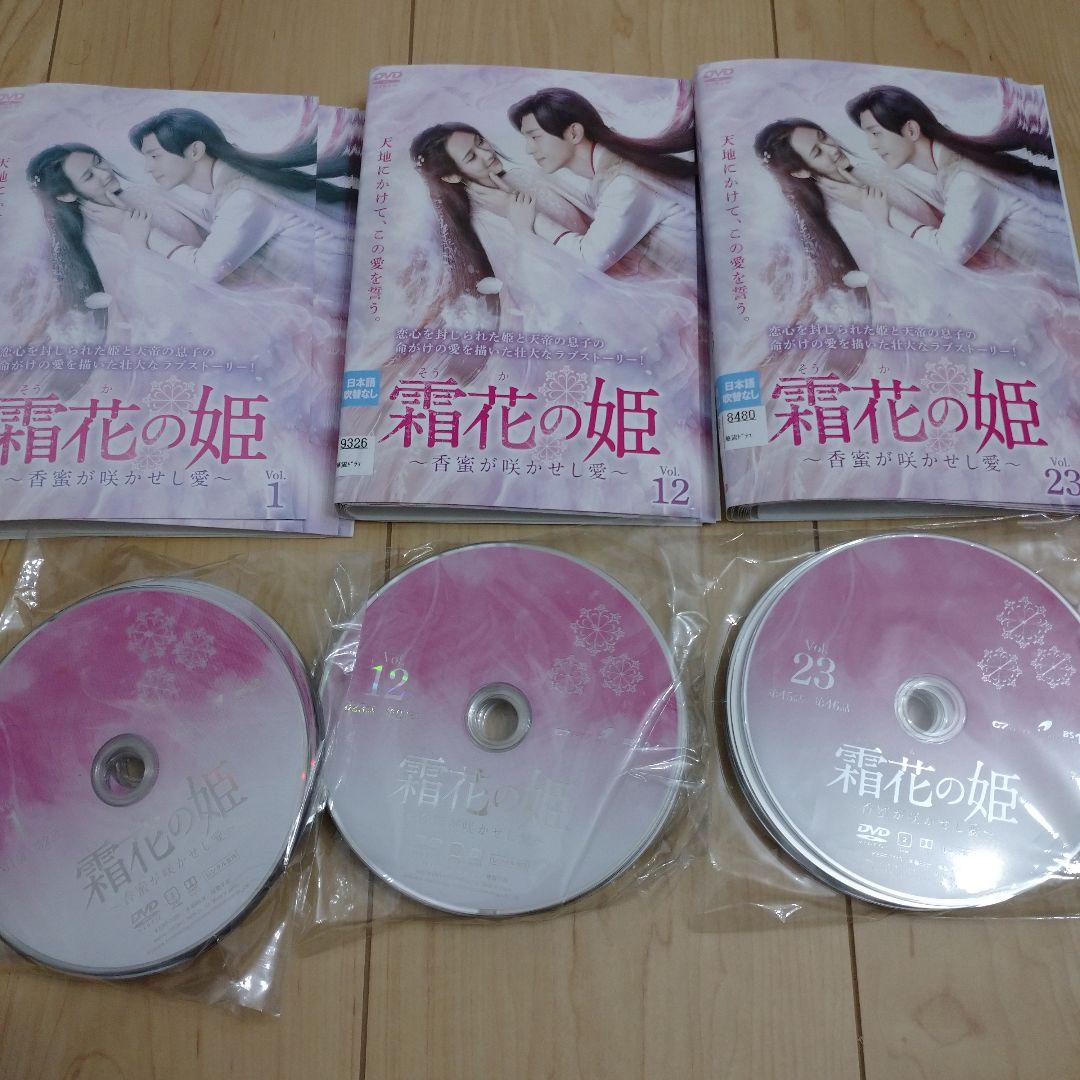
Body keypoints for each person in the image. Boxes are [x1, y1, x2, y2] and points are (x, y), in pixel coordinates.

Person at [845, 85, 1078, 294]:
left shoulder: (967, 179)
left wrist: (888, 216)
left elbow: (947, 255)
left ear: (911, 130)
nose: (871, 145)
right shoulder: (952, 163)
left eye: (875, 133)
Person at [124, 108, 347, 287]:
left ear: (195, 151)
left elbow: (204, 271)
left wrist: (148, 237)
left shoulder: (243, 198)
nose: (148, 168)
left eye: (155, 156)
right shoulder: (234, 186)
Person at [506, 87, 697, 280]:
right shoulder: (611, 171)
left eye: (535, 137)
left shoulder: (624, 183)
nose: (529, 149)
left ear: (574, 133)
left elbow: (589, 260)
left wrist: (534, 221)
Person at [26, 142, 207, 341]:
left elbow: (210, 230)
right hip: (192, 317)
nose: (104, 174)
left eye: (98, 162)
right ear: (66, 195)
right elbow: (147, 302)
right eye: (89, 176)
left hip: (219, 273)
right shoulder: (96, 242)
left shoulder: (145, 193)